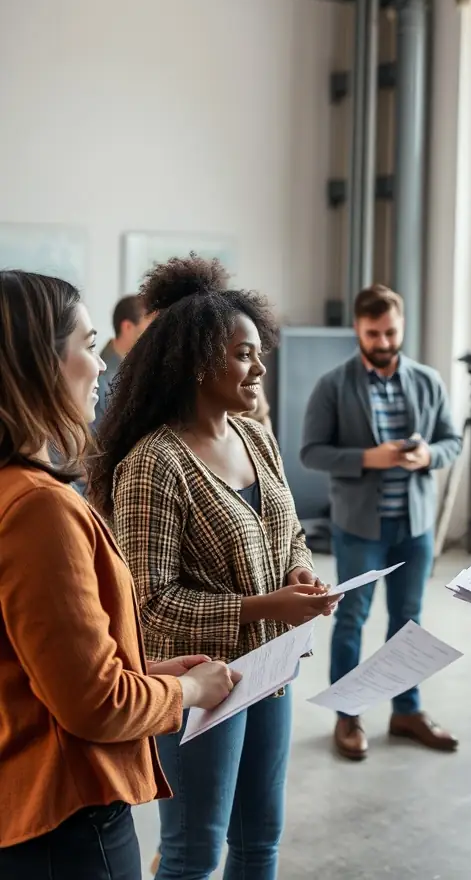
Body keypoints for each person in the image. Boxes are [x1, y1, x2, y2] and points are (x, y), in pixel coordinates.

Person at [89, 255, 339, 880]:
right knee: (194, 852)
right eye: (244, 353)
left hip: (271, 669)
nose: (259, 367)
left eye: (259, 351)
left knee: (260, 843)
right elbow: (151, 603)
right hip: (201, 680)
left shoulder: (256, 438)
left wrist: (301, 576)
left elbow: (289, 535)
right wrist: (265, 607)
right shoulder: (154, 463)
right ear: (199, 361)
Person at [0, 270, 235, 878]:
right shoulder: (38, 508)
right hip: (64, 822)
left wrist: (144, 668)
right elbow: (95, 705)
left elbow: (36, 664)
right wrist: (190, 692)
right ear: (38, 364)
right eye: (87, 344)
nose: (102, 366)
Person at [300, 283, 462, 760]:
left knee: (408, 623)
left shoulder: (428, 380)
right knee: (351, 618)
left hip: (414, 526)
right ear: (358, 330)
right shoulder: (333, 384)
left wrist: (428, 455)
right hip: (358, 527)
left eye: (391, 331)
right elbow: (311, 451)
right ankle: (347, 715)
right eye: (373, 333)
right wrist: (369, 458)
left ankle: (406, 711)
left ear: (401, 326)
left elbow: (451, 441)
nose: (384, 340)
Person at [94, 294, 153, 428]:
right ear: (127, 327)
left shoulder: (142, 369)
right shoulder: (100, 381)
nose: (152, 336)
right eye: (148, 329)